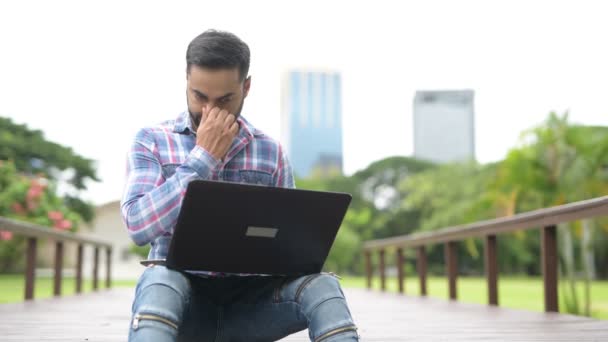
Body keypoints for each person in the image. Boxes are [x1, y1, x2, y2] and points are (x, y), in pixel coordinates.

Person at [120, 29, 359, 342]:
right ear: (186, 81)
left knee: (324, 286)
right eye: (199, 96)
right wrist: (202, 158)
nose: (210, 111)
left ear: (246, 87)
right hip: (180, 305)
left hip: (252, 308)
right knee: (158, 280)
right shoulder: (151, 140)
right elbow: (138, 225)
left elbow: (293, 253)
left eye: (224, 99)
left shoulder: (271, 152)